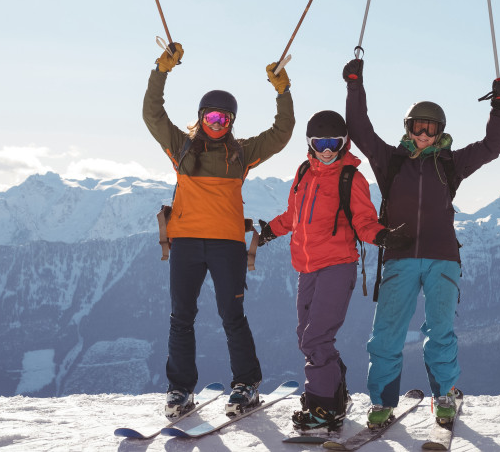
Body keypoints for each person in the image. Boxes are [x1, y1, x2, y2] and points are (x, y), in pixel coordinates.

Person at [341, 57, 500, 427]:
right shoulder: (390, 161)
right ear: (408, 128)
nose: (424, 133)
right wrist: (355, 85)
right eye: (418, 126)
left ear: (440, 131)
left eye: (431, 128)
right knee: (386, 333)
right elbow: (359, 127)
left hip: (442, 259)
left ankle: (444, 396)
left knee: (440, 331)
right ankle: (382, 402)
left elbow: (492, 147)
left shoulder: (450, 163)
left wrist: (498, 109)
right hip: (399, 257)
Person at [143, 41, 295, 418]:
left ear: (232, 123)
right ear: (200, 117)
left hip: (227, 245)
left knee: (232, 316)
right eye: (211, 118)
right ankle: (180, 389)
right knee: (182, 317)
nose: (217, 125)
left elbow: (282, 132)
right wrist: (161, 70)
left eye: (224, 120)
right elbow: (153, 114)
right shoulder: (180, 147)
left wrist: (283, 91)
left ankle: (246, 384)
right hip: (187, 243)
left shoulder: (241, 154)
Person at [256, 110, 413, 433]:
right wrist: (271, 230)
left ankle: (323, 405)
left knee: (317, 336)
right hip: (306, 267)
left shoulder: (350, 178)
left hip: (337, 266)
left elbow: (364, 220)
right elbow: (294, 214)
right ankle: (334, 393)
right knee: (306, 336)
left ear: (344, 143)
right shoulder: (303, 173)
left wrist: (382, 236)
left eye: (333, 143)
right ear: (310, 144)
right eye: (320, 143)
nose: (327, 150)